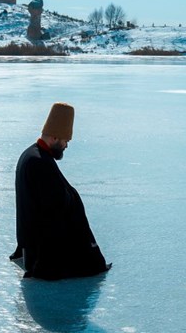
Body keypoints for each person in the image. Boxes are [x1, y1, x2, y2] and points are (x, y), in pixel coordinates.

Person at [10, 102, 112, 280]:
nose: (66, 146)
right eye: (66, 141)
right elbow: (54, 210)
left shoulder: (31, 154)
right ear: (55, 137)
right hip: (39, 255)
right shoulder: (39, 162)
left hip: (30, 248)